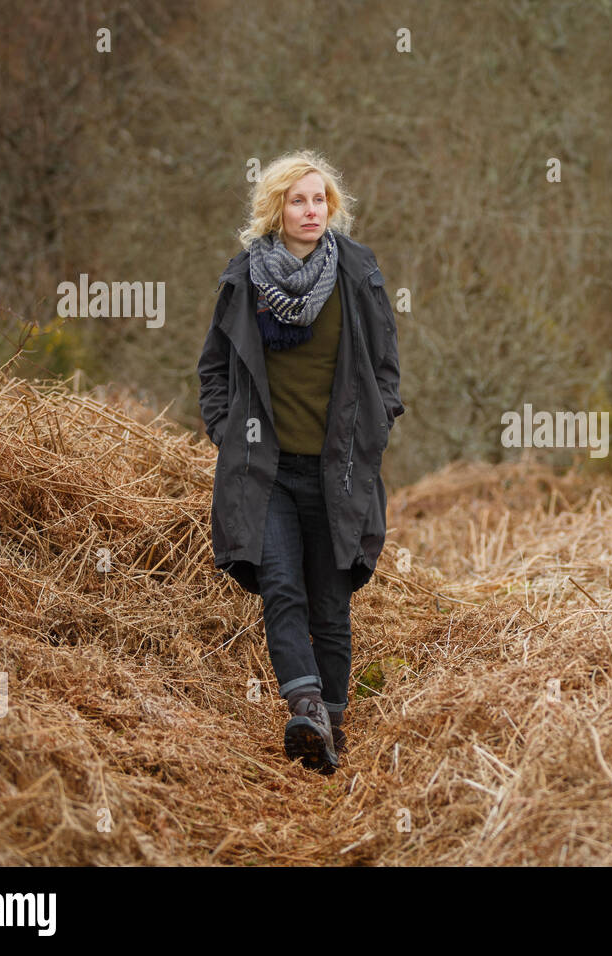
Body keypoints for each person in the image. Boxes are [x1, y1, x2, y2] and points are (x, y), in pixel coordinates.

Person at [197, 150, 405, 774]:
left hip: (339, 470)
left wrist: (374, 429)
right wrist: (227, 432)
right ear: (276, 209)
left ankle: (330, 730)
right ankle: (307, 708)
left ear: (330, 207)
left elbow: (386, 369)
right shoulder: (243, 280)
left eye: (319, 200)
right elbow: (214, 369)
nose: (310, 210)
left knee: (330, 605)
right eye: (297, 200)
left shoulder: (358, 272)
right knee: (281, 589)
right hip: (266, 470)